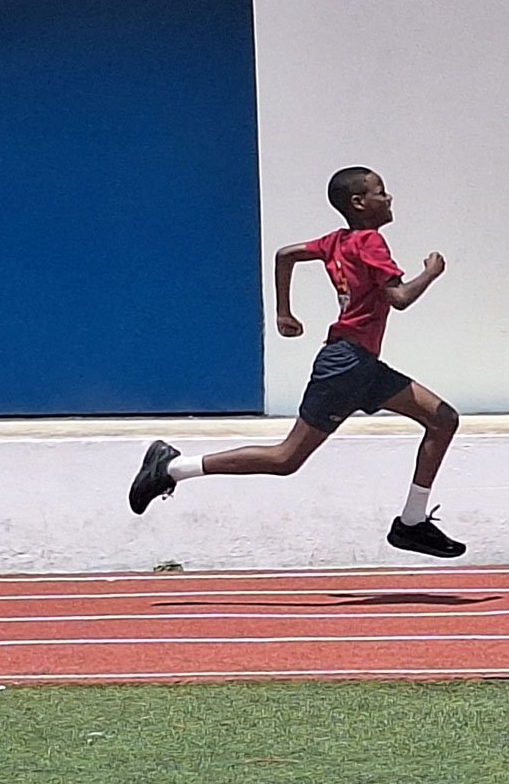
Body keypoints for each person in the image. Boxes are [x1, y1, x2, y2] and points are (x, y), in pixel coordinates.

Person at [129, 166, 465, 559]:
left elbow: (285, 255)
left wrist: (283, 313)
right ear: (359, 203)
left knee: (443, 418)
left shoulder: (338, 242)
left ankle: (411, 523)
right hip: (346, 366)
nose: (388, 198)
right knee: (286, 458)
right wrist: (432, 271)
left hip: (362, 365)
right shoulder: (371, 242)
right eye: (381, 192)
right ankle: (171, 468)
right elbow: (400, 298)